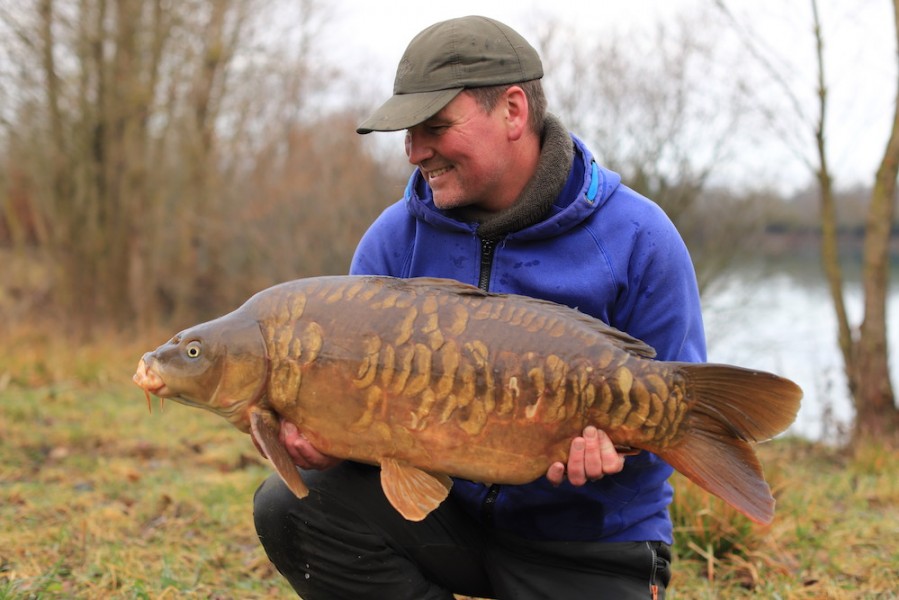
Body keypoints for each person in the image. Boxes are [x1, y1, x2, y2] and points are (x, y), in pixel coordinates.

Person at [253, 15, 706, 600]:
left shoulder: (638, 237)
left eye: (435, 126)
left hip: (588, 540)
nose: (415, 151)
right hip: (446, 523)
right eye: (407, 132)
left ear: (513, 111)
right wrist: (328, 443)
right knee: (290, 504)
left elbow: (676, 418)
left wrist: (620, 450)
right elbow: (368, 421)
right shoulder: (394, 242)